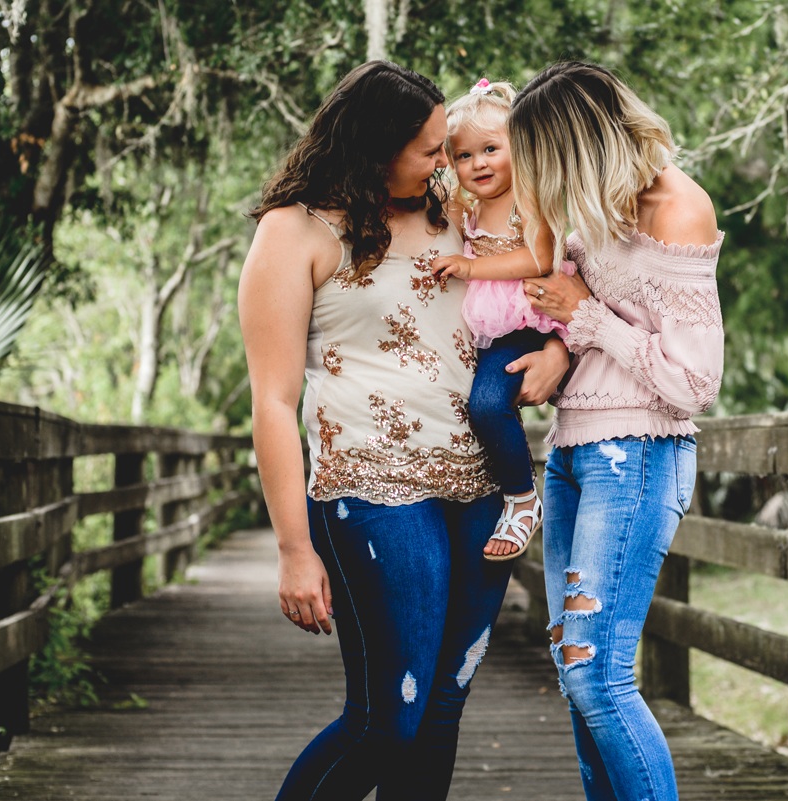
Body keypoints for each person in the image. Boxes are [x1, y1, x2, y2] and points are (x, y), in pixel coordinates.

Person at [238, 60, 569, 801]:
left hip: (482, 486)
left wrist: (556, 346)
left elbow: (545, 276)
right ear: (372, 145)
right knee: (388, 718)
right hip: (373, 491)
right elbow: (272, 401)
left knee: (444, 706)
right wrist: (294, 549)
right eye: (429, 149)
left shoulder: (456, 206)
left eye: (448, 147)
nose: (446, 161)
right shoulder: (293, 232)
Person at [508, 62, 725, 801]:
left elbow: (694, 382)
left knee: (598, 673)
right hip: (572, 449)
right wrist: (562, 339)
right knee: (576, 671)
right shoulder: (596, 212)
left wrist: (587, 318)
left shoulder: (679, 208)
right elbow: (576, 310)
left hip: (638, 453)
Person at [430, 77, 575, 563]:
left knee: (489, 405)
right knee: (476, 404)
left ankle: (521, 496)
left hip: (524, 321)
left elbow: (539, 257)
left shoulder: (528, 198)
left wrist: (473, 267)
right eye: (464, 156)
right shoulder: (468, 207)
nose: (479, 164)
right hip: (487, 332)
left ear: (519, 147)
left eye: (491, 149)